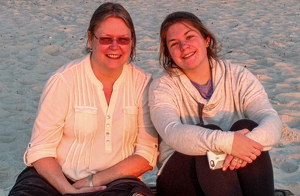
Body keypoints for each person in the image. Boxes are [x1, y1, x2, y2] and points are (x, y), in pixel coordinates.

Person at [9, 2, 158, 196]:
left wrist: (90, 182)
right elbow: (40, 151)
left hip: (116, 180)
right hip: (55, 177)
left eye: (123, 39)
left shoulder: (143, 84)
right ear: (90, 39)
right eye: (106, 39)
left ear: (132, 41)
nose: (115, 46)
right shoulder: (64, 81)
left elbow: (146, 155)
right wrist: (68, 191)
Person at [149, 11, 282, 196]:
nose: (184, 46)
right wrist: (227, 143)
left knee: (248, 127)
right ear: (169, 54)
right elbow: (172, 131)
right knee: (209, 139)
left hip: (232, 170)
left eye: (190, 37)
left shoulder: (238, 76)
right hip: (180, 174)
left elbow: (272, 120)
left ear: (206, 40)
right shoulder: (162, 86)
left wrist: (244, 145)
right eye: (174, 44)